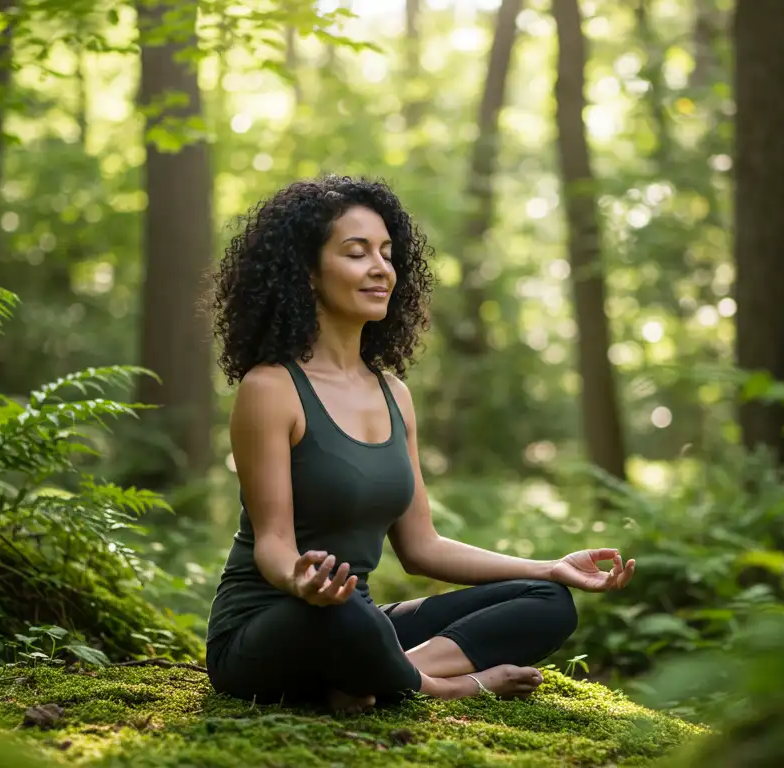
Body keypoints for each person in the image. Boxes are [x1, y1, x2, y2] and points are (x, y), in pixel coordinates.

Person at [204, 175, 636, 713]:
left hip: (358, 623)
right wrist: (301, 581)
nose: (381, 268)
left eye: (387, 253)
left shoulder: (394, 394)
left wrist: (548, 566)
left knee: (548, 602)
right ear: (308, 272)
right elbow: (272, 542)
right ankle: (442, 684)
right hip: (277, 625)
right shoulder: (270, 388)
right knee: (343, 616)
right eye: (357, 253)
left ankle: (370, 678)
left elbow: (422, 548)